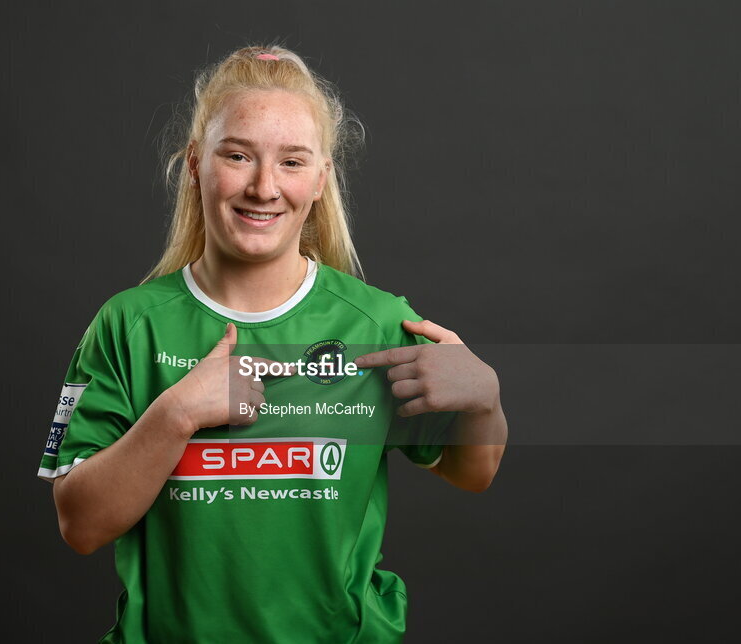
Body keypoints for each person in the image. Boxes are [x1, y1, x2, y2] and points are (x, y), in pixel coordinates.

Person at [37, 44, 508, 643]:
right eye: (237, 155)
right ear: (194, 164)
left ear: (320, 180)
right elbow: (79, 524)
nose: (264, 187)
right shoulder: (128, 325)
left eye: (291, 162)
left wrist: (484, 401)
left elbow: (472, 473)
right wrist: (177, 413)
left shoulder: (376, 323)